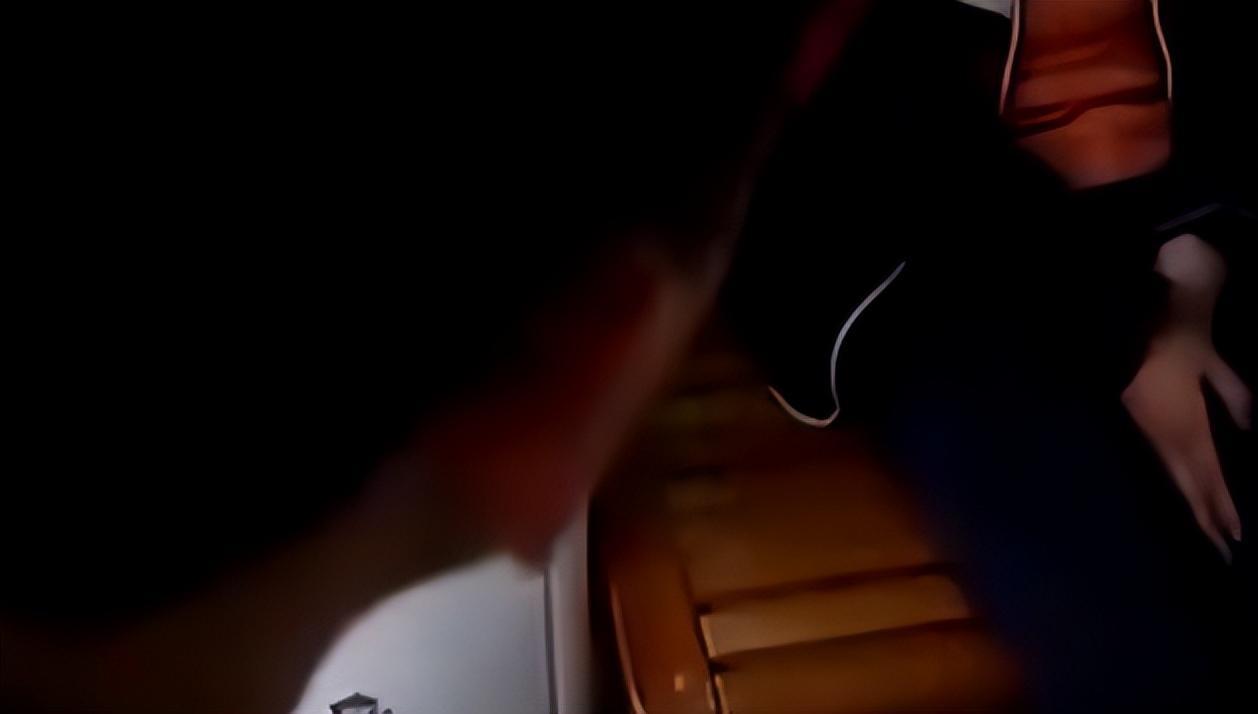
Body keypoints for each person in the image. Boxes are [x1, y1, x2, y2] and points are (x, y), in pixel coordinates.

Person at [725, 0, 1255, 710]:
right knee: (1126, 601)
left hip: (1175, 220)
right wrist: (1133, 334)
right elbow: (878, 122)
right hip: (921, 249)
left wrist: (1197, 257)